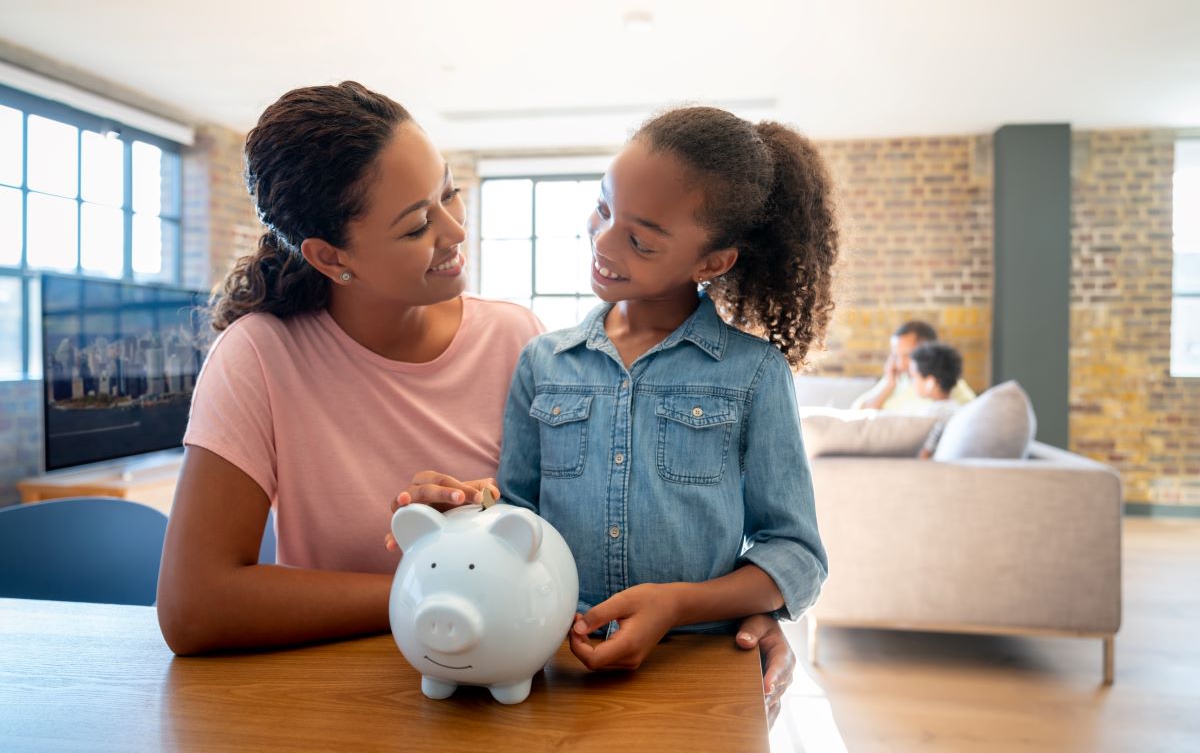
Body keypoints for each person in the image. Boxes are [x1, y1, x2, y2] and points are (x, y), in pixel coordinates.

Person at [155, 83, 794, 712]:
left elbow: (595, 530)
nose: (456, 230)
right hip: (351, 698)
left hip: (523, 696)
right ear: (331, 255)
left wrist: (736, 608)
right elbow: (195, 608)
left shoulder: (520, 339)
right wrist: (437, 587)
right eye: (415, 227)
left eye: (449, 192)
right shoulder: (258, 357)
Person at [495, 106, 835, 673]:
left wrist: (678, 604)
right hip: (551, 653)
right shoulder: (543, 362)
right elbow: (516, 518)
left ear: (713, 261)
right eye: (603, 207)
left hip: (696, 659)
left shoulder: (753, 374)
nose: (603, 242)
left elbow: (797, 555)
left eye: (642, 242)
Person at [851, 320, 975, 411]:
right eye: (895, 356)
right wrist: (888, 386)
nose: (900, 364)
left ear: (929, 352)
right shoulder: (894, 379)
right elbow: (857, 413)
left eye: (907, 355)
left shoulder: (948, 386)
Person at [908, 342, 964, 459]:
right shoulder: (957, 409)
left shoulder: (932, 415)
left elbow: (923, 454)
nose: (911, 383)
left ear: (930, 382)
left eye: (914, 377)